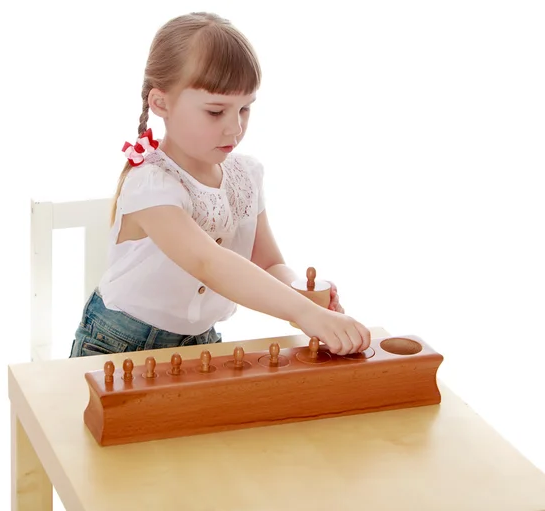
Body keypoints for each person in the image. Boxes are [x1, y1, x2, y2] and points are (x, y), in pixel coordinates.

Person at [69, 12, 371, 358]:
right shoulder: (150, 185)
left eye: (244, 109)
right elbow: (209, 263)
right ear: (160, 103)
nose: (235, 129)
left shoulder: (246, 175)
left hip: (201, 343)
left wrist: (301, 293)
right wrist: (303, 313)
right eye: (216, 112)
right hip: (119, 345)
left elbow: (268, 263)